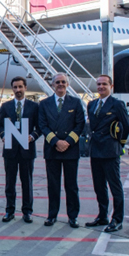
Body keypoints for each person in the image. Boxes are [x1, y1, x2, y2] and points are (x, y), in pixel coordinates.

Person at [38, 73, 85, 228]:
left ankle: (73, 216)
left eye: (63, 82)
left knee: (71, 185)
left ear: (67, 84)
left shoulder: (76, 103)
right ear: (52, 85)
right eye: (57, 82)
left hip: (70, 150)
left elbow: (80, 125)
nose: (60, 84)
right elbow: (42, 126)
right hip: (52, 149)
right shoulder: (44, 104)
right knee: (53, 185)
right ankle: (52, 215)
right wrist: (56, 141)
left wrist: (68, 142)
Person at [86, 75, 129, 233]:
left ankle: (117, 220)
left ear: (111, 86)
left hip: (111, 152)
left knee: (115, 186)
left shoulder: (117, 104)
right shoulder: (91, 105)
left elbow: (126, 125)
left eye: (104, 84)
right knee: (99, 187)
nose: (101, 87)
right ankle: (102, 216)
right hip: (96, 151)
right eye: (99, 84)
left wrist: (120, 144)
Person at [0, 76, 41, 223]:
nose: (18, 90)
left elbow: (39, 127)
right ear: (12, 89)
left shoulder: (34, 107)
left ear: (25, 88)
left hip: (27, 150)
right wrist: (3, 135)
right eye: (15, 87)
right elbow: (0, 126)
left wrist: (32, 136)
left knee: (26, 182)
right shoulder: (5, 106)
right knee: (10, 182)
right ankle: (9, 211)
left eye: (20, 87)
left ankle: (27, 211)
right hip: (10, 149)